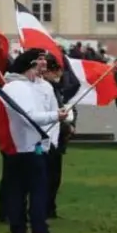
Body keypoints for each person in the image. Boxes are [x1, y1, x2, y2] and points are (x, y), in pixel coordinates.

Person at [2, 48, 67, 233]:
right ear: (30, 63)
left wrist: (55, 126)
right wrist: (55, 116)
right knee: (28, 191)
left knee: (28, 190)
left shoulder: (40, 86)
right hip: (23, 147)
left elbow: (47, 112)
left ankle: (23, 232)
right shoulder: (16, 87)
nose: (45, 63)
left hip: (36, 147)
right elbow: (28, 116)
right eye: (40, 59)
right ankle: (35, 232)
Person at [40, 54, 76, 219]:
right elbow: (50, 113)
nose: (59, 76)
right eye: (57, 72)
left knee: (54, 177)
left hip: (57, 137)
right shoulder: (46, 89)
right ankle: (45, 208)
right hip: (49, 138)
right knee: (49, 176)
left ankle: (50, 207)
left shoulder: (55, 88)